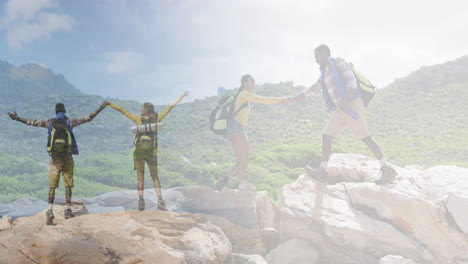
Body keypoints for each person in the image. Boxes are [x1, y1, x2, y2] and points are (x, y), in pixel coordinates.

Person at [293, 44, 397, 184]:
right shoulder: (324, 74)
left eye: (317, 56)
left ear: (324, 53)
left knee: (365, 137)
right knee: (327, 135)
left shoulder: (338, 62)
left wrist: (346, 101)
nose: (316, 60)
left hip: (352, 104)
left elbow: (351, 82)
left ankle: (387, 168)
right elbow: (312, 90)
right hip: (340, 109)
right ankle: (322, 171)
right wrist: (290, 99)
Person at [7, 103, 107, 225]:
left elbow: (32, 122)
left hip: (55, 160)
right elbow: (88, 118)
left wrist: (17, 118)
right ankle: (68, 209)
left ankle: (50, 210)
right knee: (68, 185)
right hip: (67, 158)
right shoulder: (70, 121)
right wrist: (101, 107)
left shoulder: (49, 122)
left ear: (55, 112)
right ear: (64, 111)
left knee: (52, 186)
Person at [103, 91, 189, 211]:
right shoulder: (157, 119)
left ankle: (141, 202)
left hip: (139, 153)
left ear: (145, 110)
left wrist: (110, 104)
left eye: (142, 108)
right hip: (151, 152)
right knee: (155, 177)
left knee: (140, 178)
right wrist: (180, 97)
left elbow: (124, 111)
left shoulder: (138, 120)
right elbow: (169, 108)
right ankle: (160, 201)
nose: (141, 109)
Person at [216, 74, 293, 190]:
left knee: (242, 159)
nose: (254, 84)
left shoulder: (242, 95)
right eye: (251, 81)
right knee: (244, 158)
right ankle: (240, 183)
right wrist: (281, 100)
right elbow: (262, 100)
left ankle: (224, 181)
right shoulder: (244, 94)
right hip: (235, 128)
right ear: (244, 83)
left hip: (237, 128)